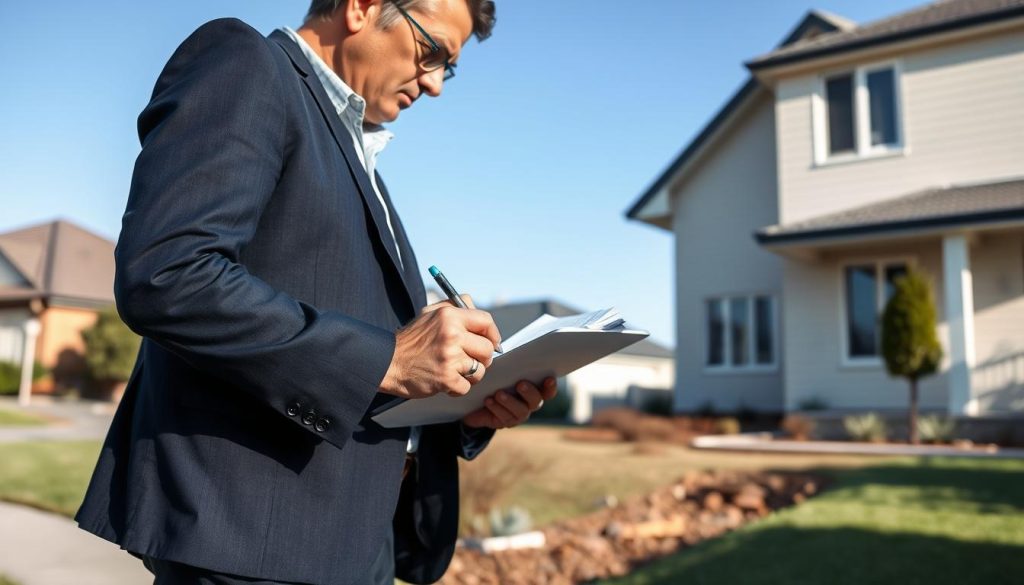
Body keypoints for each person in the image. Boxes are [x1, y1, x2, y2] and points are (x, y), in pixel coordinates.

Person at [74, 1, 558, 583]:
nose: (434, 86)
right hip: (251, 542)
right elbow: (170, 274)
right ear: (362, 8)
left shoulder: (357, 151)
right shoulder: (246, 64)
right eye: (431, 54)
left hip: (352, 543)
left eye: (446, 69)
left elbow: (362, 361)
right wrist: (389, 357)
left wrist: (466, 408)